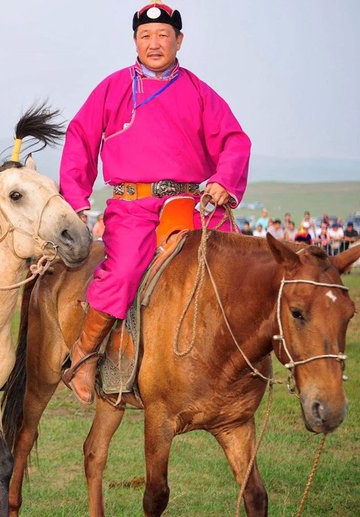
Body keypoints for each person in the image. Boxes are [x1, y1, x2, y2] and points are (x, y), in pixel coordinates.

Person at [59, 2, 252, 404]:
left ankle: (237, 361)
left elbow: (235, 140)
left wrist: (223, 181)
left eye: (163, 35)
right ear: (135, 41)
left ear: (179, 41)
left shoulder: (199, 91)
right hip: (133, 207)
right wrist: (75, 198)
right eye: (145, 36)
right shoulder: (112, 87)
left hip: (191, 203)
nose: (154, 42)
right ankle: (84, 354)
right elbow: (80, 138)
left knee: (237, 267)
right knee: (125, 269)